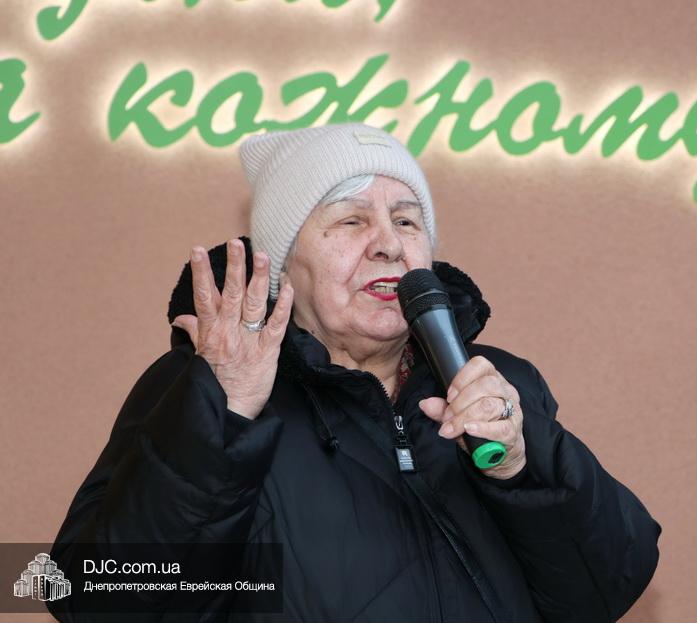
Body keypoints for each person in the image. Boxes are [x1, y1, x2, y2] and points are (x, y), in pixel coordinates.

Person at [49, 123, 661, 622]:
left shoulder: (498, 383)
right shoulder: (198, 384)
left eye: (407, 221)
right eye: (350, 220)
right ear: (281, 266)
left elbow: (605, 589)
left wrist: (522, 467)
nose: (388, 244)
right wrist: (221, 418)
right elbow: (88, 597)